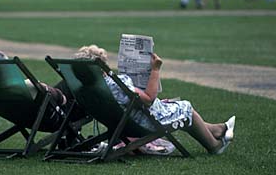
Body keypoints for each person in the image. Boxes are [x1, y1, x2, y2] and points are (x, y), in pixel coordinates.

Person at [74, 45, 236, 155]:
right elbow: (149, 99)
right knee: (185, 108)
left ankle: (217, 129)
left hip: (123, 124)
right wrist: (155, 69)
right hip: (144, 124)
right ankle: (214, 146)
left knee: (174, 106)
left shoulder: (84, 89)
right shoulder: (116, 83)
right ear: (101, 67)